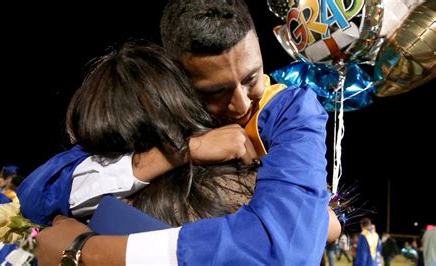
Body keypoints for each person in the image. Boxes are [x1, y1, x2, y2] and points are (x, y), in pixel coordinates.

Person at [32, 0, 334, 265]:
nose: (240, 104)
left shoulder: (292, 112)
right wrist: (181, 152)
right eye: (215, 91)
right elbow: (38, 194)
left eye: (251, 78)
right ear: (178, 78)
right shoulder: (165, 109)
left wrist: (91, 252)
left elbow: (284, 250)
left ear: (258, 43)